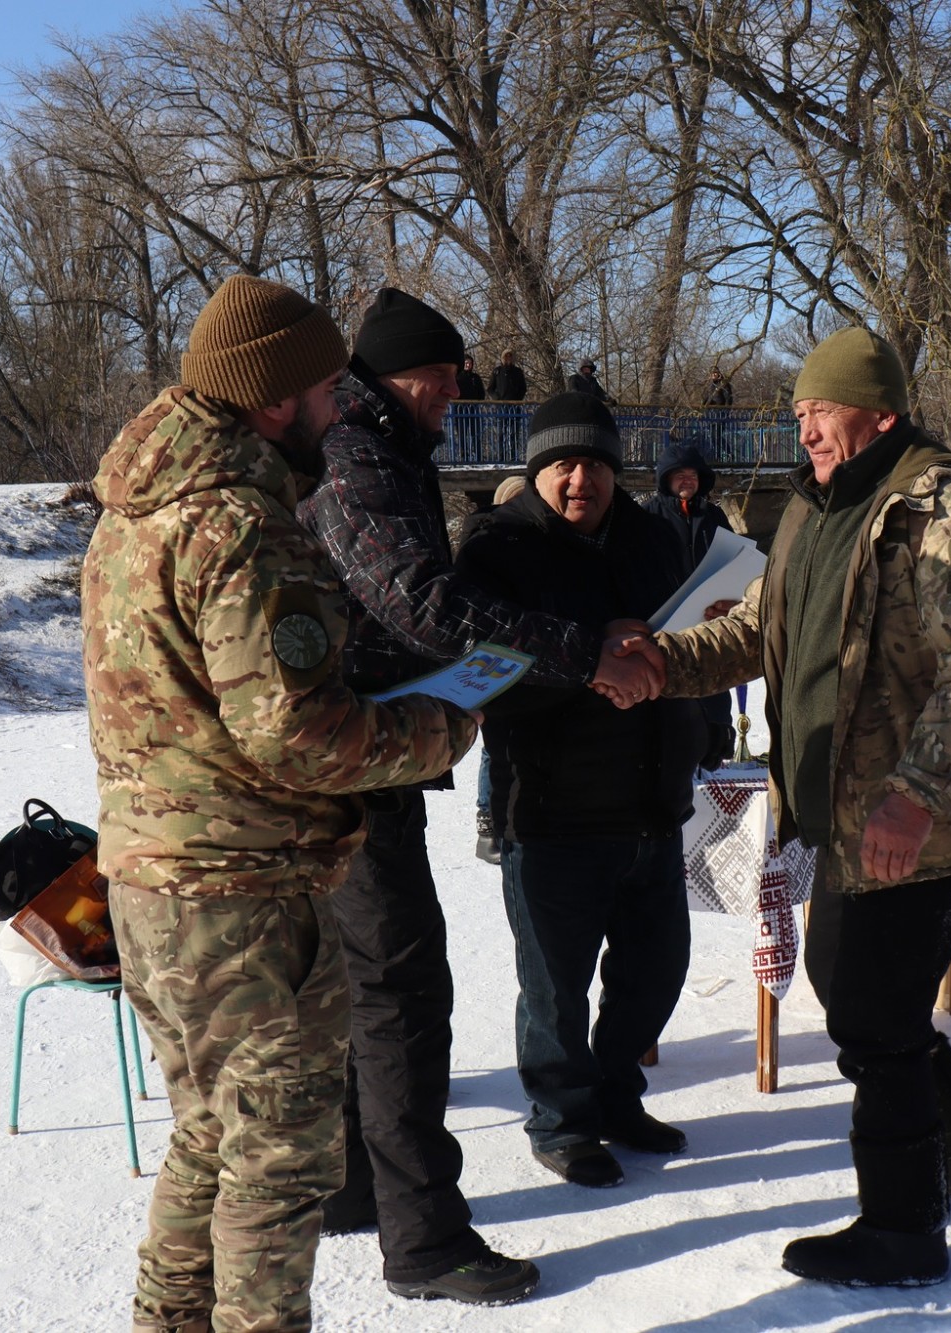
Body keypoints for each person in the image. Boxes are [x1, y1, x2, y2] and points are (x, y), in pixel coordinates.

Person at [81, 274, 483, 1330]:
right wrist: (445, 723)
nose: (340, 407)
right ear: (272, 398)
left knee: (211, 1136)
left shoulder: (134, 511)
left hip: (151, 882)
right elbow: (296, 733)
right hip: (241, 901)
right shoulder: (239, 526)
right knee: (276, 1166)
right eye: (326, 388)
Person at [646, 327, 951, 1288]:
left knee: (870, 1009)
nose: (805, 429)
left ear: (880, 414)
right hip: (846, 809)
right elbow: (760, 628)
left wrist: (915, 796)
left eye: (821, 411)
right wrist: (660, 664)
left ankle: (904, 1228)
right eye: (801, 412)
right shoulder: (812, 507)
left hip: (932, 817)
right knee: (851, 981)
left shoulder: (942, 507)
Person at [297, 288, 661, 1304]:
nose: (456, 394)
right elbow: (420, 602)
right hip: (353, 762)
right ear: (394, 373)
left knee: (361, 982)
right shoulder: (359, 456)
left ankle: (353, 1183)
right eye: (442, 377)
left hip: (367, 751)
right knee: (400, 992)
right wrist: (579, 652)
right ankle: (423, 1237)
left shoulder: (382, 447)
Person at [455, 392, 706, 1189]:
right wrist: (591, 655)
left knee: (656, 969)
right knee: (555, 989)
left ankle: (617, 1094)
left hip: (650, 800)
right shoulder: (498, 544)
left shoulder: (652, 535)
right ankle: (562, 1121)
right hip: (551, 809)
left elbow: (688, 635)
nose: (580, 480)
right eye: (564, 464)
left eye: (596, 464)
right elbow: (480, 670)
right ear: (537, 470)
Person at [641, 436, 739, 769]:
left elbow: (735, 561)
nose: (687, 480)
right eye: (680, 475)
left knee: (714, 693)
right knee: (671, 705)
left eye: (693, 475)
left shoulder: (714, 516)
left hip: (712, 626)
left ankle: (716, 752)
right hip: (665, 630)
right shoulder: (647, 518)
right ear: (666, 479)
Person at [459, 474, 529, 865]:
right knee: (493, 746)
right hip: (493, 659)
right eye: (514, 501)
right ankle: (487, 822)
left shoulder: (539, 541)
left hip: (530, 657)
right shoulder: (483, 542)